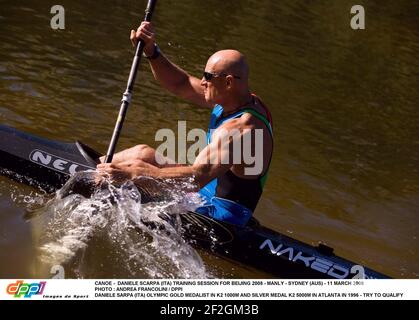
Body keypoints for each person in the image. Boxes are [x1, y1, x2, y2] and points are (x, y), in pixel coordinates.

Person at [97, 22, 273, 226]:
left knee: (136, 169)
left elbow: (197, 177)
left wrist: (136, 173)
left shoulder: (242, 129)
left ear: (229, 82)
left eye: (208, 76)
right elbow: (180, 83)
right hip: (203, 193)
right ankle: (88, 169)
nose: (203, 81)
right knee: (142, 153)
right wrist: (152, 52)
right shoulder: (232, 98)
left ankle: (93, 180)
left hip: (221, 214)